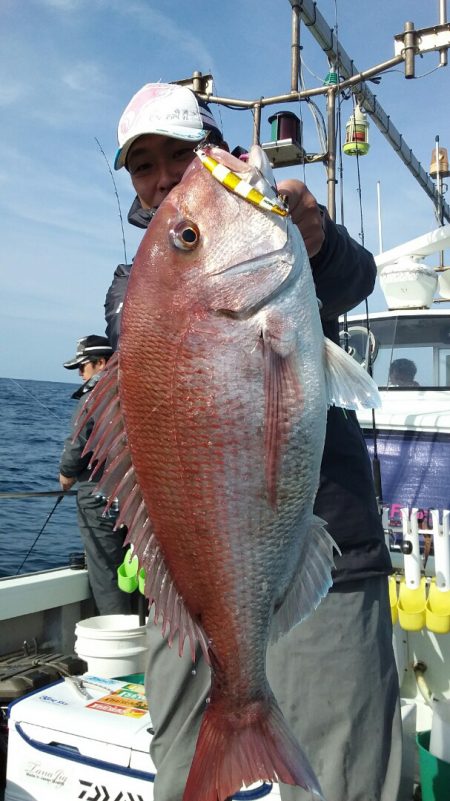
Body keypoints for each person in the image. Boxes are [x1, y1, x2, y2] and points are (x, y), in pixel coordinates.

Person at [105, 82, 401, 801]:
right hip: (191, 583)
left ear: (214, 147)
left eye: (181, 154)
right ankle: (239, 709)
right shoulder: (137, 285)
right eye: (143, 165)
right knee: (180, 770)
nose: (163, 176)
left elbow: (356, 278)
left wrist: (317, 238)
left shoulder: (278, 237)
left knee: (343, 777)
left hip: (327, 553)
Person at [59, 335, 132, 615]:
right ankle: (147, 630)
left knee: (106, 570)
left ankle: (117, 632)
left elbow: (78, 442)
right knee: (138, 565)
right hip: (137, 498)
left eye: (83, 366)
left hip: (100, 497)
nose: (80, 374)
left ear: (101, 363)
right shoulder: (136, 390)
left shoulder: (96, 393)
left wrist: (66, 474)